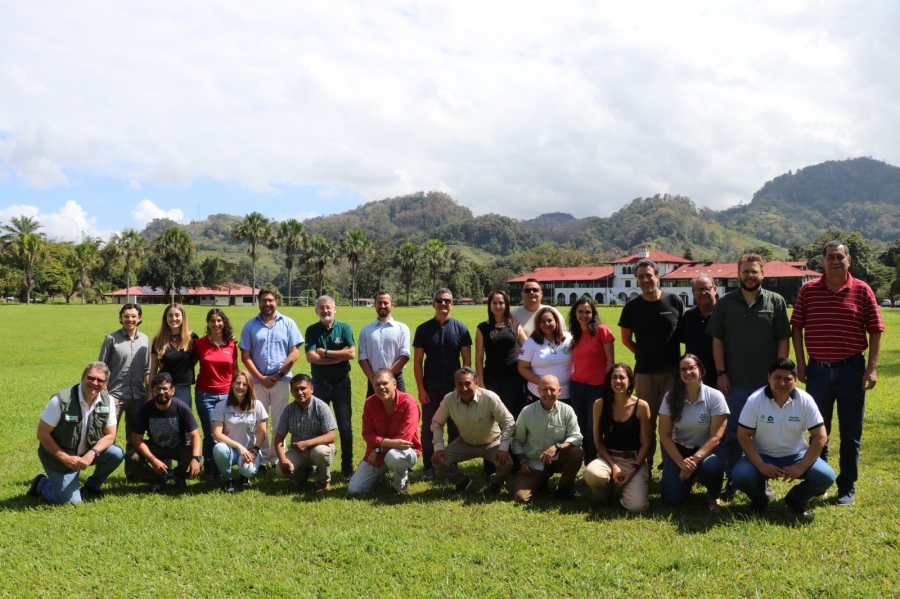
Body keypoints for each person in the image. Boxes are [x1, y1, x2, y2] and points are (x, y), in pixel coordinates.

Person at [791, 240, 883, 506]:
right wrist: (801, 363)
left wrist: (872, 369)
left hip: (852, 370)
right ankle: (821, 480)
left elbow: (875, 330)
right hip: (818, 370)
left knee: (851, 431)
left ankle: (847, 487)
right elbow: (797, 327)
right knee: (819, 430)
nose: (835, 261)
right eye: (830, 257)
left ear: (849, 260)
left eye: (840, 257)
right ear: (823, 261)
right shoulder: (808, 291)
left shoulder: (862, 290)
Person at [707, 253, 790, 498]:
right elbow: (717, 341)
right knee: (732, 434)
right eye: (745, 271)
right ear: (738, 273)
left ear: (762, 274)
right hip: (733, 382)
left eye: (754, 271)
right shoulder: (725, 303)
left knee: (763, 435)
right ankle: (733, 479)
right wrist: (721, 373)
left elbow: (783, 339)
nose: (750, 276)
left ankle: (763, 480)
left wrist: (779, 377)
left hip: (765, 384)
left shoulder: (776, 302)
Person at [732, 358, 836, 517]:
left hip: (796, 456)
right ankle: (759, 499)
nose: (782, 383)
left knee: (826, 476)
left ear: (795, 379)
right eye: (777, 378)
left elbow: (820, 437)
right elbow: (743, 435)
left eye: (787, 379)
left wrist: (801, 466)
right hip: (763, 455)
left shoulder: (805, 400)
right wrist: (761, 465)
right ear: (769, 377)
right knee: (740, 475)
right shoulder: (755, 400)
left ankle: (796, 499)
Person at [618, 259, 683, 470]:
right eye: (641, 277)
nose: (645, 280)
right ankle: (644, 465)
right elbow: (626, 339)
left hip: (672, 373)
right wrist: (643, 354)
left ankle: (669, 464)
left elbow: (682, 333)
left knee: (670, 421)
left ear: (657, 275)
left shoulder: (674, 300)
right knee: (646, 422)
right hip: (644, 374)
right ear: (637, 280)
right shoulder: (632, 307)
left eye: (649, 275)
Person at [29, 362, 125, 504]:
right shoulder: (61, 401)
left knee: (116, 454)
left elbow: (110, 435)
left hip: (86, 452)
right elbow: (42, 434)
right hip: (59, 457)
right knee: (71, 503)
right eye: (91, 378)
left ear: (105, 384)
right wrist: (66, 458)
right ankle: (41, 483)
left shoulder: (108, 401)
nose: (94, 383)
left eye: (100, 380)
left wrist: (91, 454)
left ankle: (92, 487)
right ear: (82, 377)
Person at [239, 288, 303, 472]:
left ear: (276, 301)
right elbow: (245, 355)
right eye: (263, 300)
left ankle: (276, 458)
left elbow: (295, 352)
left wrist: (278, 375)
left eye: (270, 300)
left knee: (279, 420)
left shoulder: (288, 323)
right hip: (258, 382)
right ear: (258, 302)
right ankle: (262, 458)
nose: (267, 304)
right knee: (258, 421)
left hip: (281, 381)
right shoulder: (250, 325)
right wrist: (260, 377)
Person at [413, 288, 472, 481]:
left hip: (454, 389)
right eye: (439, 300)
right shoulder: (423, 329)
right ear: (433, 303)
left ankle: (450, 466)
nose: (443, 303)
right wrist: (421, 389)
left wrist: (464, 388)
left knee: (455, 427)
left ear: (452, 304)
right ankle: (429, 467)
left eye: (447, 300)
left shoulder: (461, 329)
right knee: (429, 427)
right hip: (430, 388)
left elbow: (466, 361)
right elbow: (417, 362)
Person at [658, 354, 729, 512]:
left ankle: (713, 495)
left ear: (701, 370)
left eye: (691, 368)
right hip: (680, 451)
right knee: (672, 500)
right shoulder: (671, 397)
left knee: (712, 466)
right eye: (683, 369)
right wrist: (681, 462)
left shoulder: (715, 397)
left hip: (706, 450)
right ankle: (690, 478)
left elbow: (716, 437)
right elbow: (664, 434)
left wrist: (694, 460)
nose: (687, 372)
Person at [431, 368, 516, 493]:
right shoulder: (449, 400)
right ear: (455, 385)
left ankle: (496, 481)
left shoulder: (489, 398)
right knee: (438, 461)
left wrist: (503, 448)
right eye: (460, 384)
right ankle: (463, 481)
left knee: (506, 463)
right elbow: (437, 423)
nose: (464, 388)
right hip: (465, 443)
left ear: (477, 383)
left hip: (492, 443)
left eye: (468, 383)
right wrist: (439, 447)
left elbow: (508, 422)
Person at [583, 364, 652, 513]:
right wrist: (614, 466)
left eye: (622, 377)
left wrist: (633, 470)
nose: (618, 381)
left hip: (634, 461)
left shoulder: (641, 406)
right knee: (592, 474)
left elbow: (647, 443)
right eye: (614, 377)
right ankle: (604, 494)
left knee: (637, 507)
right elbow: (598, 441)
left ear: (630, 381)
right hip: (608, 459)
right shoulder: (599, 404)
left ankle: (627, 489)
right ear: (609, 381)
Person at [304, 295, 356, 478]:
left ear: (335, 309)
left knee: (345, 426)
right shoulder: (312, 330)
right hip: (319, 385)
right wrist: (337, 358)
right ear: (316, 311)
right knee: (318, 426)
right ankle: (319, 466)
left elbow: (351, 353)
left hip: (342, 384)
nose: (325, 311)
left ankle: (347, 467)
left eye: (328, 307)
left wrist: (325, 353)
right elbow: (311, 357)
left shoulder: (344, 328)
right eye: (321, 308)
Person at [348, 369, 422, 495]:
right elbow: (367, 434)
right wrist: (386, 445)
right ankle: (380, 475)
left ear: (394, 384)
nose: (381, 387)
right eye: (377, 384)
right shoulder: (370, 403)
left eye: (384, 383)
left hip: (405, 452)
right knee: (355, 489)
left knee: (394, 456)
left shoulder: (408, 403)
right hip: (379, 453)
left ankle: (401, 485)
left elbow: (404, 440)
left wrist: (378, 449)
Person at [98, 302, 150, 480]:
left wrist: (149, 393)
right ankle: (102, 473)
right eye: (126, 316)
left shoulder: (144, 340)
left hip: (138, 396)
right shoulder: (111, 339)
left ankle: (132, 473)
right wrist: (104, 391)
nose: (130, 319)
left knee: (134, 437)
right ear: (120, 318)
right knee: (107, 437)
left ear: (139, 318)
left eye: (134, 316)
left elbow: (148, 370)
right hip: (115, 396)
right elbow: (101, 368)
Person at [511, 375, 583, 502]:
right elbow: (517, 441)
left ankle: (563, 489)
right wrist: (522, 462)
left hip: (558, 458)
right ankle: (541, 480)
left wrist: (557, 447)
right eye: (544, 390)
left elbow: (576, 436)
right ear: (538, 390)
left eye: (552, 389)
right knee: (520, 497)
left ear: (560, 391)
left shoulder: (567, 410)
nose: (548, 393)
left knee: (577, 452)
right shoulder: (527, 411)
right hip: (534, 462)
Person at [129, 372, 202, 493]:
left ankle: (178, 475)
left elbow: (195, 436)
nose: (161, 392)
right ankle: (157, 479)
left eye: (165, 389)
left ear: (172, 391)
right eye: (157, 389)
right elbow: (136, 439)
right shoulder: (144, 410)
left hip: (179, 446)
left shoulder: (181, 407)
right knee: (132, 457)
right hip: (156, 447)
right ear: (152, 391)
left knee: (200, 460)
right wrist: (152, 459)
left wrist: (195, 458)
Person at [567, 297, 615, 465]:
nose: (584, 315)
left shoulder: (602, 331)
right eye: (580, 311)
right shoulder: (576, 334)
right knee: (581, 428)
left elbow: (611, 363)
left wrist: (609, 388)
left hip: (597, 388)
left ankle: (597, 463)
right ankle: (588, 463)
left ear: (593, 313)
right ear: (575, 313)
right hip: (577, 387)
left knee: (593, 428)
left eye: (588, 311)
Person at [193, 308, 239, 479]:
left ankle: (221, 467)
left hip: (227, 394)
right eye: (212, 321)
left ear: (224, 322)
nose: (216, 324)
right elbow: (187, 363)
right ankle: (210, 470)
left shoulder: (232, 344)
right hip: (205, 394)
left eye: (219, 320)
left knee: (224, 433)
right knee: (210, 433)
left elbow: (235, 370)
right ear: (208, 323)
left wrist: (239, 392)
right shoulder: (199, 344)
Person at [273, 374, 337, 492]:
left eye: (303, 388)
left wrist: (307, 443)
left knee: (321, 452)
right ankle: (304, 474)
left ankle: (324, 481)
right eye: (295, 389)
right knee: (280, 471)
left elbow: (331, 436)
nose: (299, 392)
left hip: (319, 448)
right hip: (298, 452)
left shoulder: (321, 407)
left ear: (311, 389)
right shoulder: (288, 410)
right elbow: (279, 437)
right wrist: (282, 460)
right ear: (291, 392)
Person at [211, 371, 268, 493]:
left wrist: (255, 449)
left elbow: (262, 432)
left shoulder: (257, 405)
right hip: (229, 449)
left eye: (245, 384)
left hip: (250, 450)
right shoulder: (221, 406)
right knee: (219, 448)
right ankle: (229, 479)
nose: (240, 387)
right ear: (232, 384)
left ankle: (244, 476)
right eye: (238, 383)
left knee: (249, 471)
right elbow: (216, 434)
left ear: (249, 387)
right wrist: (238, 446)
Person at [475, 290, 525, 420]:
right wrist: (480, 382)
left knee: (514, 414)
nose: (498, 306)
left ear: (506, 305)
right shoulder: (482, 328)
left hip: (514, 379)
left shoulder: (515, 326)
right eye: (494, 303)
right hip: (492, 380)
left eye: (501, 303)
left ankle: (514, 441)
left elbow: (529, 348)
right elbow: (479, 357)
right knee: (493, 415)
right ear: (490, 306)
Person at [358, 290, 411, 395]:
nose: (382, 305)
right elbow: (362, 357)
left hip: (396, 379)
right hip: (373, 380)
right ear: (375, 305)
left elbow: (405, 355)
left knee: (399, 410)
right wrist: (373, 378)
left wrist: (388, 376)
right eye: (379, 303)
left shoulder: (402, 328)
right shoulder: (366, 330)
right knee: (373, 411)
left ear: (392, 305)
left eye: (386, 303)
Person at [518, 307, 573, 403]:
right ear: (538, 324)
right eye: (542, 321)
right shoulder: (530, 343)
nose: (546, 324)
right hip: (539, 393)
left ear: (556, 321)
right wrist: (545, 384)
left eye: (549, 320)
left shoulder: (569, 339)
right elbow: (522, 368)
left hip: (567, 393)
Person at [149, 303, 198, 407]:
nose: (173, 318)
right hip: (162, 387)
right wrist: (151, 391)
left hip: (183, 387)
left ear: (183, 317)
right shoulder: (158, 340)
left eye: (177, 315)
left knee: (182, 419)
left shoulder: (192, 338)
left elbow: (196, 358)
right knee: (163, 419)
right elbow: (153, 368)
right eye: (170, 315)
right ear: (165, 318)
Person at [680, 274, 718, 389]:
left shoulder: (724, 314)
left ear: (715, 289)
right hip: (694, 376)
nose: (703, 293)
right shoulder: (688, 316)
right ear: (693, 293)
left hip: (720, 377)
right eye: (698, 290)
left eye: (707, 288)